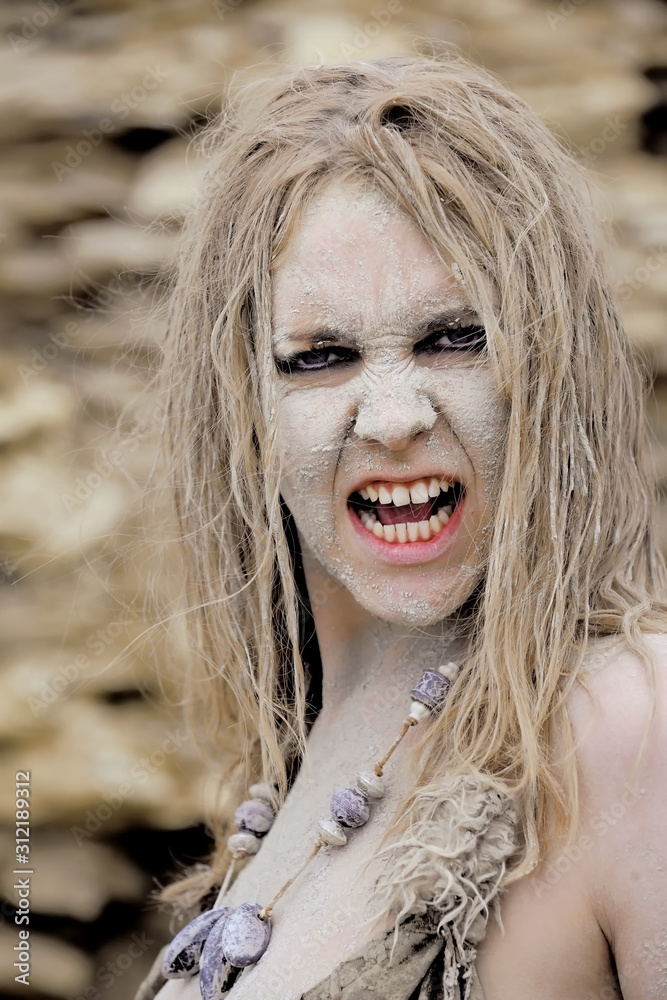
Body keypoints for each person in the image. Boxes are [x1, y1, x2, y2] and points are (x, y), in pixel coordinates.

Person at [138, 53, 667, 1000]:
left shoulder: (633, 724)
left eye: (454, 338)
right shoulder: (297, 765)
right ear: (244, 413)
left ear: (548, 370)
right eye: (320, 358)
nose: (391, 417)